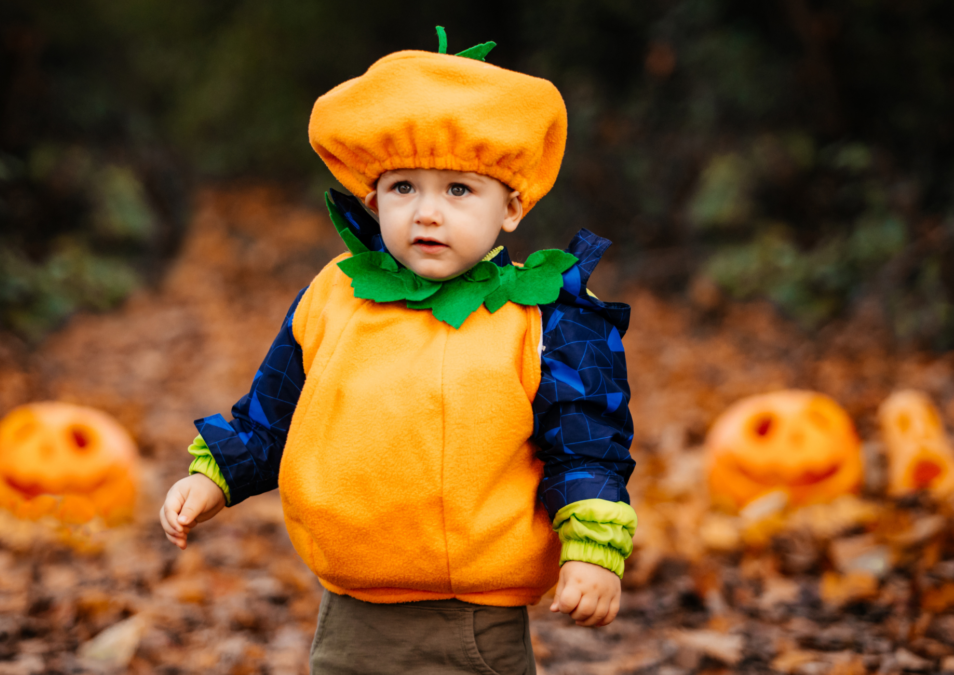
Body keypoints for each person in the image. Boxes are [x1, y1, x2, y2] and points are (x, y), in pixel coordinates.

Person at [159, 29, 636, 674]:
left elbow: (584, 441)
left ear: (513, 206)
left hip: (473, 617)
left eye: (459, 190)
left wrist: (591, 548)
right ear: (373, 199)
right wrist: (212, 476)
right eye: (404, 188)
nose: (427, 213)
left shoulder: (546, 315)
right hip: (351, 611)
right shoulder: (336, 295)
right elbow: (274, 409)